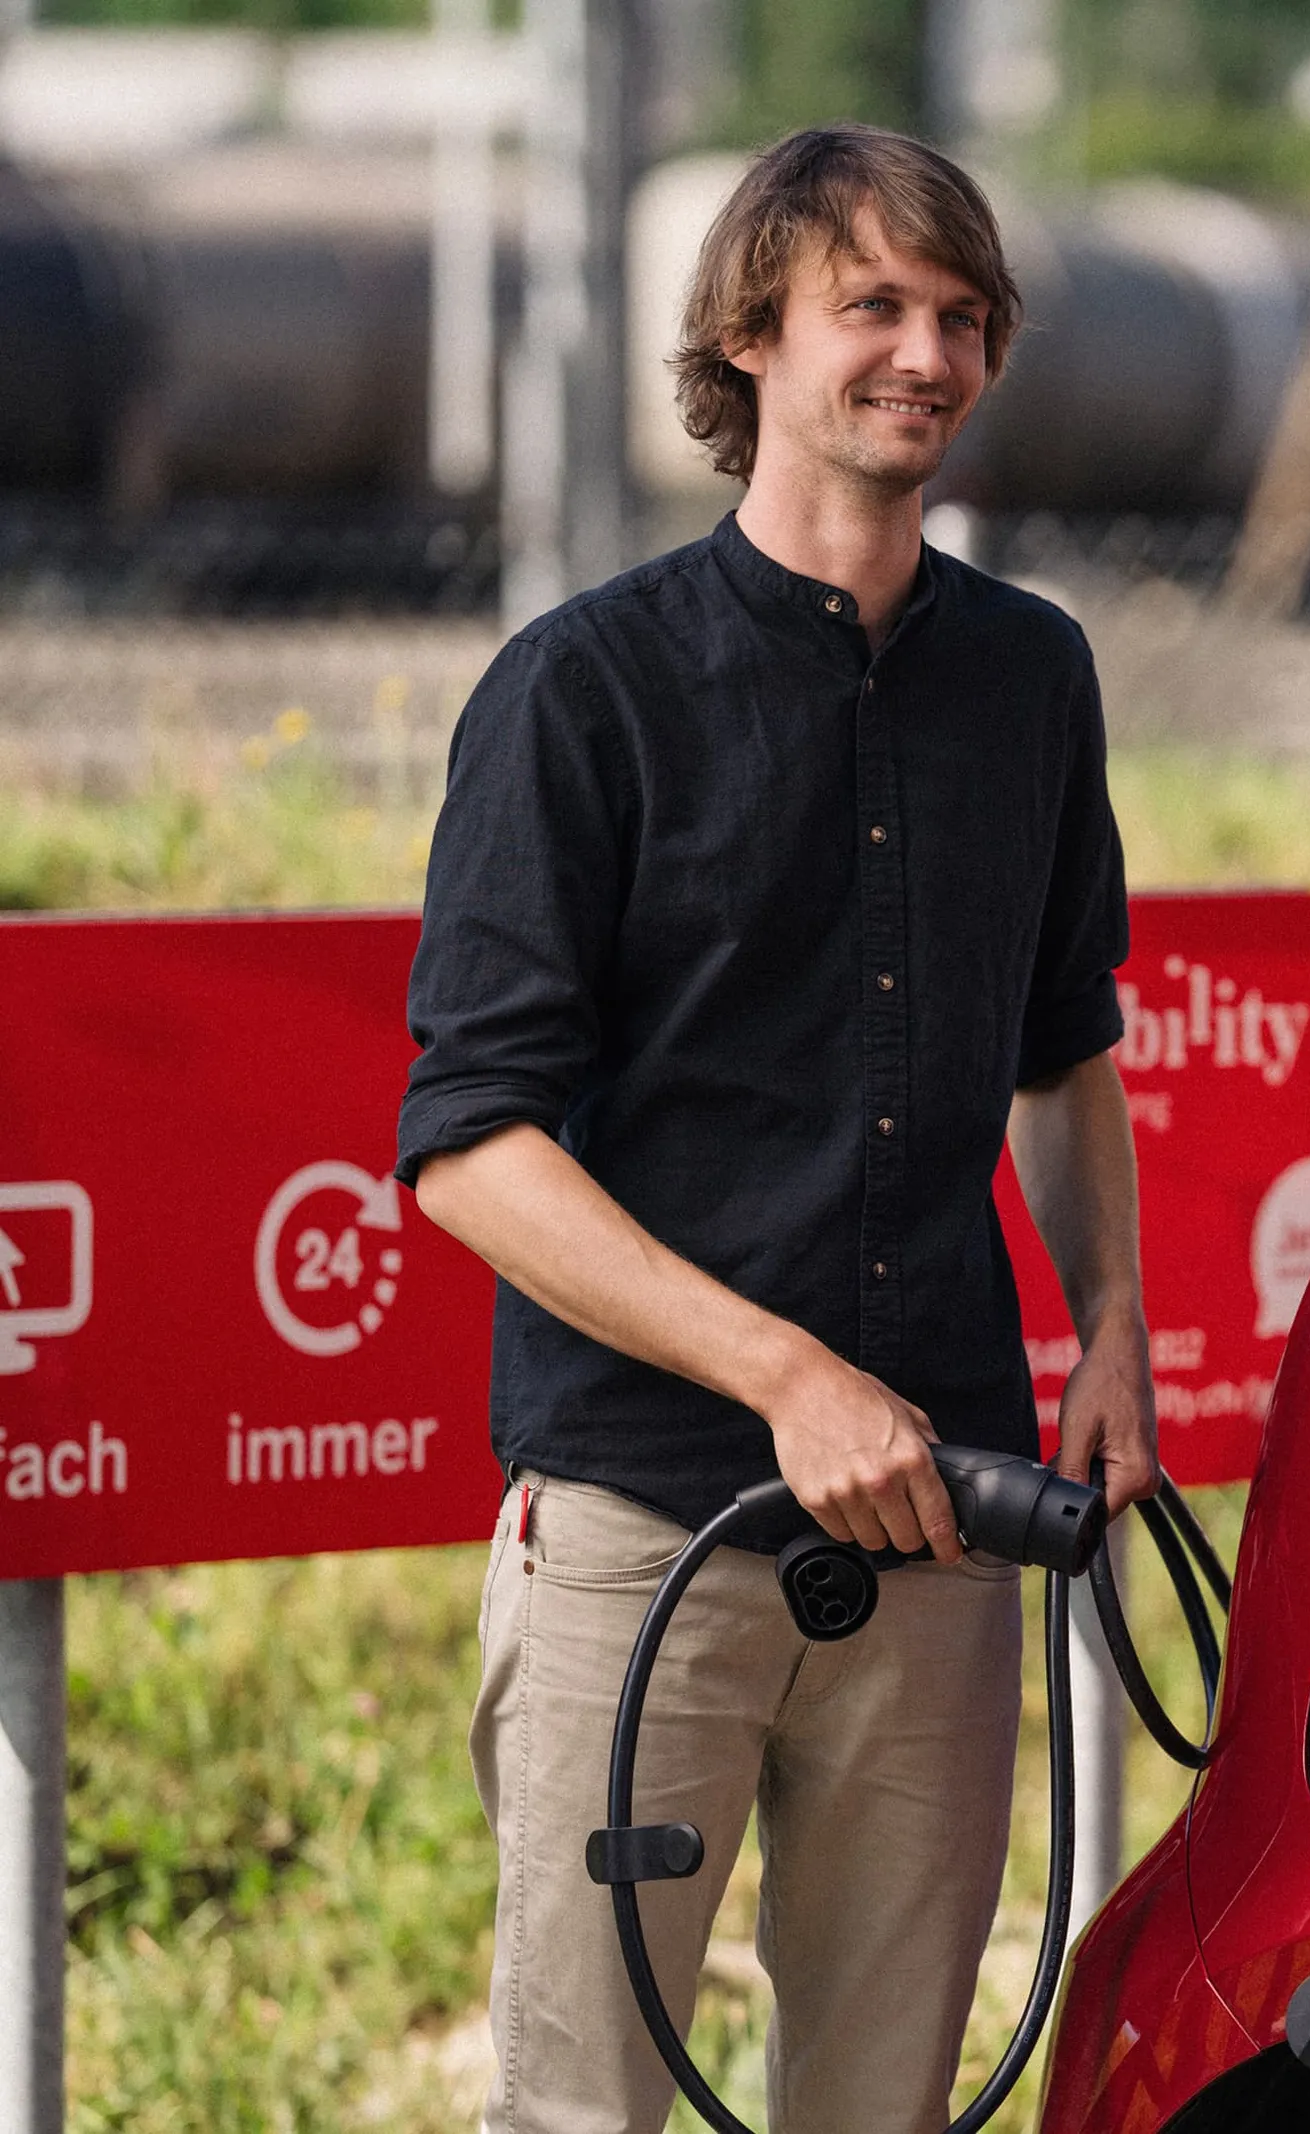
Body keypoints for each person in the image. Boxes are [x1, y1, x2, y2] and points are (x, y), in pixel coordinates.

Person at [396, 123, 1152, 2134]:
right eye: (877, 305)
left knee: (885, 2105)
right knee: (585, 2106)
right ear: (749, 337)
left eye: (965, 315)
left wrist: (1115, 1327)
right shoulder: (582, 691)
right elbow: (470, 1140)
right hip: (649, 1526)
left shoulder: (1034, 674)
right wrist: (783, 1373)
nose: (930, 351)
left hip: (942, 1530)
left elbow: (1064, 1045)